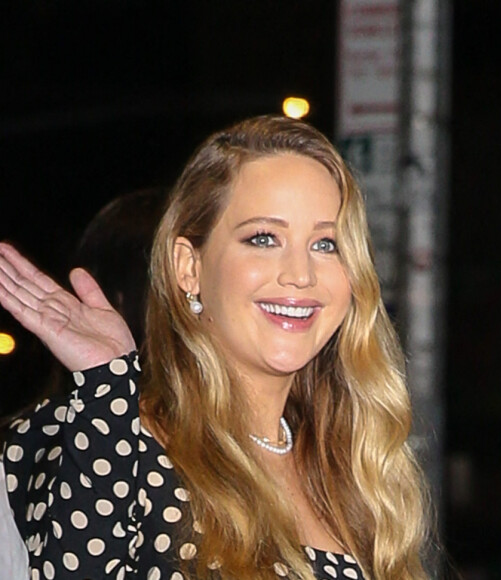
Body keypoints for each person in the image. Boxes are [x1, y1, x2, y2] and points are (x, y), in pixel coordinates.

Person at [0, 115, 430, 579]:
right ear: (189, 267)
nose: (301, 275)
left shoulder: (353, 467)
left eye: (327, 244)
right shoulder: (111, 436)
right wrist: (107, 389)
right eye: (264, 238)